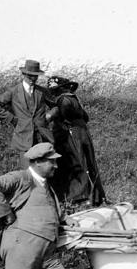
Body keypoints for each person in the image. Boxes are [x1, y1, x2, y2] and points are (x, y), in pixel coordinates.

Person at [45, 75, 106, 207]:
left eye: (54, 90)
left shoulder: (62, 99)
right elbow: (86, 117)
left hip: (69, 134)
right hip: (82, 132)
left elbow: (63, 115)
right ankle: (91, 195)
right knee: (86, 161)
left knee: (72, 162)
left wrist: (61, 123)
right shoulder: (74, 98)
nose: (53, 93)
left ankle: (76, 196)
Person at [0, 59, 55, 161]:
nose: (32, 78)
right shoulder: (13, 91)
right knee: (26, 169)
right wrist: (11, 118)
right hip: (23, 139)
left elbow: (55, 106)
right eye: (29, 75)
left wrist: (49, 115)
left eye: (35, 76)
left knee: (43, 168)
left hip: (42, 137)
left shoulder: (42, 91)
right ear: (23, 74)